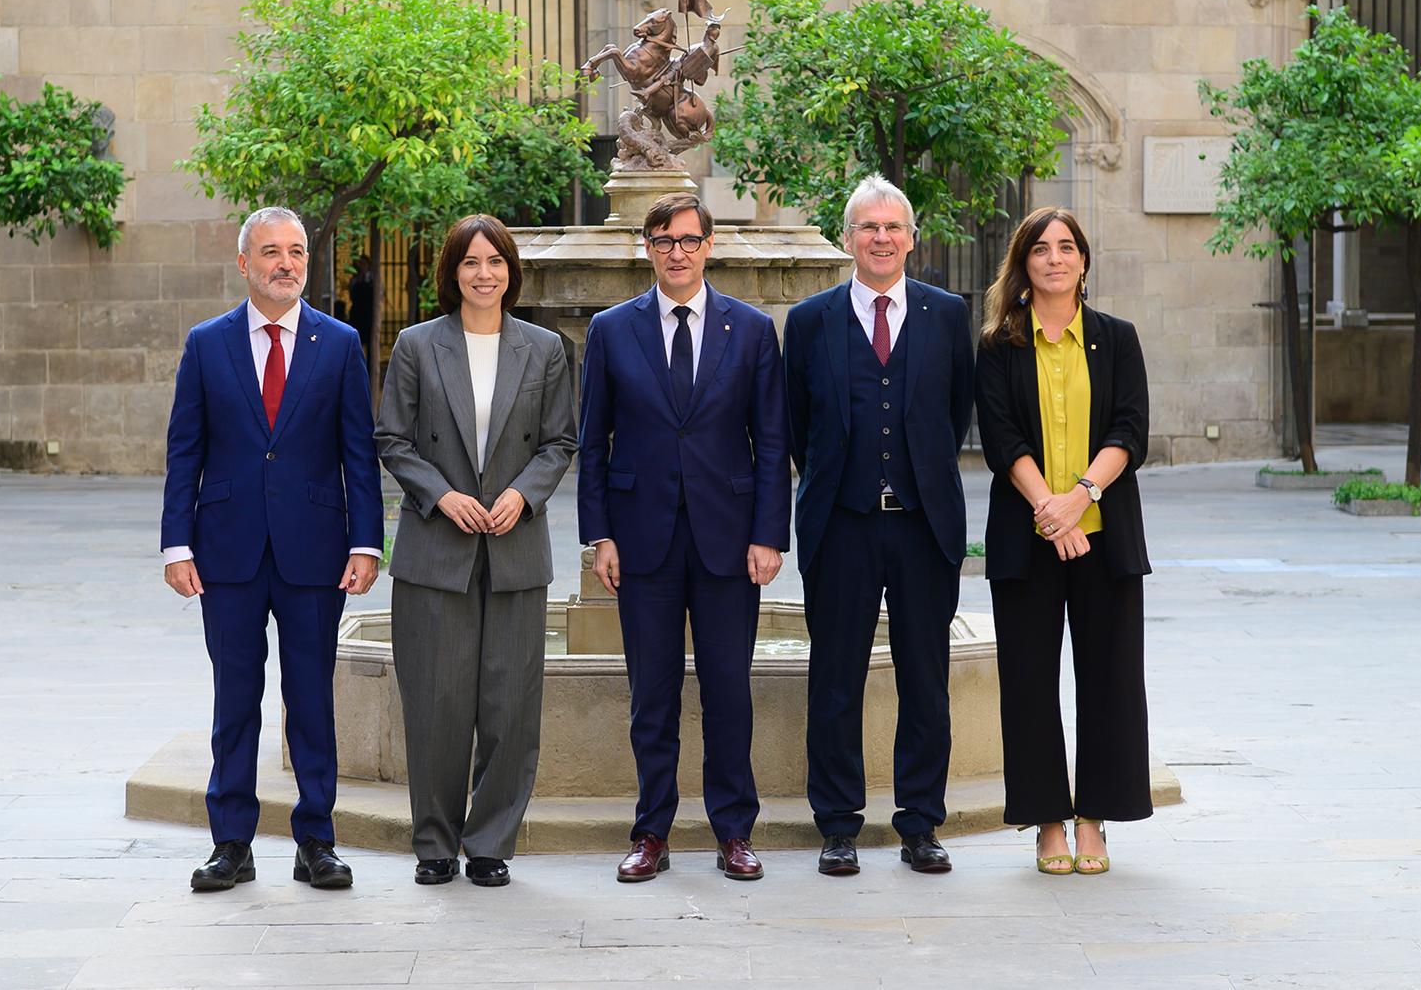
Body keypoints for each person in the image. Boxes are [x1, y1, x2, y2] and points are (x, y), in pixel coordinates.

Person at [161, 206, 382, 892]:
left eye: (296, 252)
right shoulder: (207, 344)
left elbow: (358, 451)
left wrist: (366, 541)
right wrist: (175, 544)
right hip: (226, 550)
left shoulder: (339, 343)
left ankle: (316, 840)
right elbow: (184, 449)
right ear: (244, 263)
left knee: (311, 697)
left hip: (315, 551)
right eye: (270, 252)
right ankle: (231, 843)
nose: (286, 263)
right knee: (235, 698)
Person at [577, 191, 789, 883]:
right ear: (647, 248)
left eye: (689, 239)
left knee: (729, 690)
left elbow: (772, 440)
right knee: (652, 696)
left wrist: (768, 534)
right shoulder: (611, 329)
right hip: (642, 541)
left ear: (709, 246)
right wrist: (599, 535)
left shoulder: (750, 330)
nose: (677, 252)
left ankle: (734, 831)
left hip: (730, 540)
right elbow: (593, 441)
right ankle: (651, 832)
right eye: (664, 240)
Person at [375, 214, 576, 888]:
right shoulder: (417, 345)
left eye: (495, 261)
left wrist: (523, 493)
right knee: (436, 704)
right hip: (437, 547)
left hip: (515, 545)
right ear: (452, 272)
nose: (484, 273)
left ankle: (490, 843)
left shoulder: (544, 349)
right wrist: (442, 496)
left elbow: (560, 441)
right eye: (470, 262)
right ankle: (434, 843)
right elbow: (393, 438)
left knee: (510, 706)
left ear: (510, 271)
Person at [784, 173, 974, 877]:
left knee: (925, 679)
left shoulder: (947, 314)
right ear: (847, 238)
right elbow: (798, 426)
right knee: (835, 680)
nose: (882, 238)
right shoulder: (810, 321)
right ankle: (837, 824)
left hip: (924, 526)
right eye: (869, 226)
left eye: (893, 227)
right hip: (842, 525)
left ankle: (921, 822)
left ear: (911, 238)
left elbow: (954, 414)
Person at [973, 207, 1152, 876]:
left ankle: (1093, 818)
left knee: (1109, 682)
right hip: (1027, 541)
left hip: (1105, 538)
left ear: (1083, 261)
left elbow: (1130, 429)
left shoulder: (1116, 338)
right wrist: (1049, 510)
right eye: (1041, 248)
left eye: (1067, 247)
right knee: (1028, 683)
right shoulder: (999, 345)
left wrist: (1078, 499)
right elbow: (1001, 439)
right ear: (1024, 263)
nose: (1055, 258)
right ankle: (1048, 821)